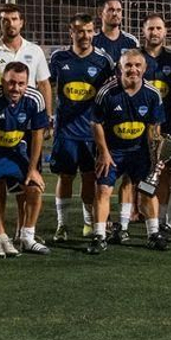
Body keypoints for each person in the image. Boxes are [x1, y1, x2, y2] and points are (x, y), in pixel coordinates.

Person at [0, 61, 51, 258]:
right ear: (3, 81)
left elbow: (38, 134)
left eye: (21, 83)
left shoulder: (35, 98)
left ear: (26, 83)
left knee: (34, 187)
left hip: (16, 151)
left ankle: (27, 237)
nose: (16, 88)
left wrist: (33, 169)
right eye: (11, 82)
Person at [89, 50, 166, 253]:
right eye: (128, 65)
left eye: (137, 65)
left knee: (148, 190)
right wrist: (104, 153)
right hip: (112, 152)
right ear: (120, 68)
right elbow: (96, 124)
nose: (133, 69)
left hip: (139, 152)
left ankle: (154, 233)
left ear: (144, 68)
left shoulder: (152, 94)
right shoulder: (107, 92)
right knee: (104, 190)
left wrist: (156, 157)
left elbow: (154, 129)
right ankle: (99, 235)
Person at [48, 15, 116, 242]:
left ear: (94, 32)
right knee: (65, 177)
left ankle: (89, 224)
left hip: (92, 133)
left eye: (88, 31)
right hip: (65, 131)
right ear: (71, 32)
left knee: (90, 178)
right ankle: (62, 225)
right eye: (80, 31)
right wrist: (50, 114)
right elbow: (48, 85)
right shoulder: (59, 58)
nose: (85, 36)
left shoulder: (103, 60)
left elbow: (110, 92)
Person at [138, 12, 171, 234]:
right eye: (151, 28)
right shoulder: (135, 57)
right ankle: (131, 214)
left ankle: (163, 219)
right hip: (138, 126)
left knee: (164, 172)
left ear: (165, 32)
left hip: (169, 126)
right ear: (143, 31)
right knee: (136, 172)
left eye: (159, 28)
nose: (155, 32)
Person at [0, 3, 52, 108]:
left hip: (29, 114)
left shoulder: (35, 51)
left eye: (14, 19)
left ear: (21, 23)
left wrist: (48, 115)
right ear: (0, 24)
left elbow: (44, 85)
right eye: (5, 20)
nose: (11, 24)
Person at [91, 0, 137, 65]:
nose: (115, 14)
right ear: (100, 13)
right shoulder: (92, 40)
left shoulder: (132, 41)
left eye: (118, 10)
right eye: (111, 10)